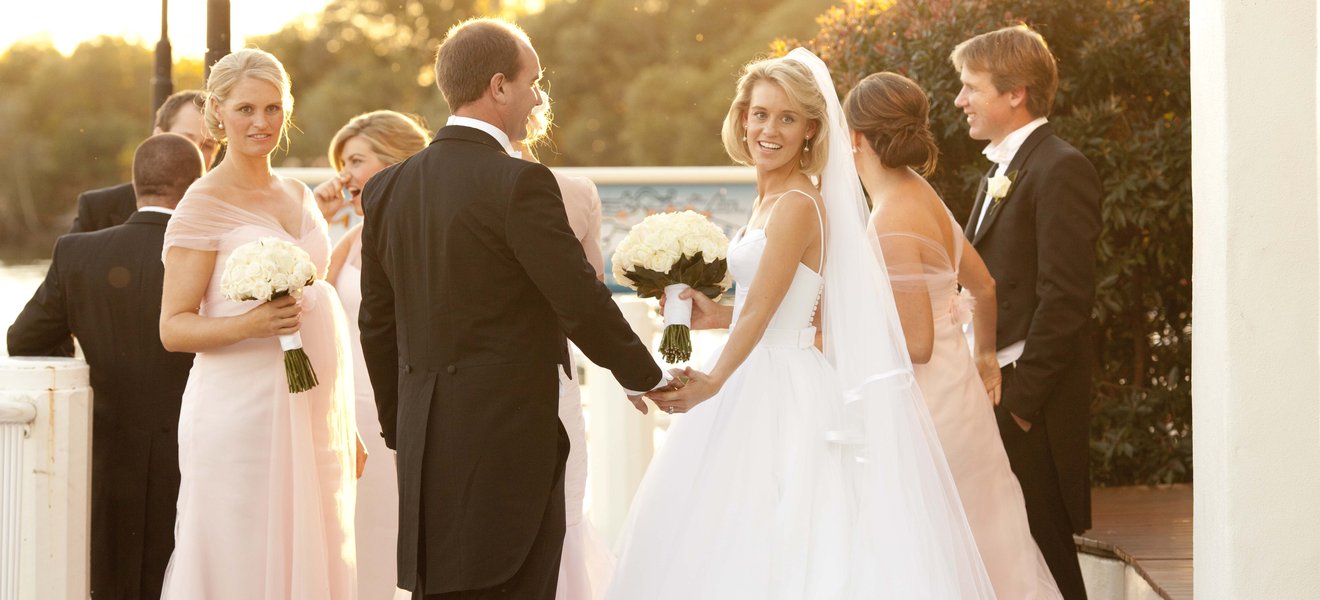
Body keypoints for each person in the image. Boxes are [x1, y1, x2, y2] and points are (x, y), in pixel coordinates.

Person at [609, 49, 995, 599]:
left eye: (787, 118)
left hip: (778, 385)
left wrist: (713, 384)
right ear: (742, 117)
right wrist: (715, 312)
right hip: (760, 368)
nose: (770, 129)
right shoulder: (767, 196)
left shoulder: (795, 202)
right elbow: (780, 302)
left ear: (812, 130)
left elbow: (767, 312)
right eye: (760, 113)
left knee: (778, 535)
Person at [357, 18, 666, 600]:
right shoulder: (518, 183)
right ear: (498, 87)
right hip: (506, 445)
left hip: (425, 441)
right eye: (533, 83)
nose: (537, 97)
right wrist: (644, 374)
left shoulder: (387, 188)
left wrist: (402, 424)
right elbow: (576, 297)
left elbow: (377, 320)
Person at [846, 71, 1062, 599]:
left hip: (929, 409)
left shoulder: (890, 219)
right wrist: (985, 358)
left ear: (855, 137)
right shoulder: (919, 191)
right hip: (961, 393)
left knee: (938, 545)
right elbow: (983, 286)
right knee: (989, 535)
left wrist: (845, 327)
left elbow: (915, 344)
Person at [157, 48, 360, 600]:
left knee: (314, 544)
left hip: (309, 411)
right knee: (241, 555)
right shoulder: (202, 203)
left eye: (273, 109)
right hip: (238, 415)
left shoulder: (298, 194)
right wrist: (252, 323)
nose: (261, 123)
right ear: (216, 112)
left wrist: (349, 422)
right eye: (246, 109)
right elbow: (173, 328)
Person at [6, 133, 202, 600]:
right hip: (195, 449)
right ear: (195, 186)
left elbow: (23, 339)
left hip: (105, 448)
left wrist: (84, 369)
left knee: (108, 580)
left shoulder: (77, 254)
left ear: (135, 185)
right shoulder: (209, 256)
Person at [952, 25, 1103, 599]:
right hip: (996, 390)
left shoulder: (1060, 167)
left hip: (1030, 405)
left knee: (1047, 555)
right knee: (1016, 555)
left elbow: (1067, 298)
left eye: (971, 87)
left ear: (1015, 93)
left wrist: (1020, 405)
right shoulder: (1000, 168)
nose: (961, 100)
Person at [322, 109, 431, 600]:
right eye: (342, 164)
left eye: (356, 161)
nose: (345, 177)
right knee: (357, 538)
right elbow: (309, 315)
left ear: (395, 161)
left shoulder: (427, 232)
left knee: (405, 538)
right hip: (351, 411)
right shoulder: (347, 240)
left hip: (408, 404)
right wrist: (314, 221)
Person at [516, 98, 614, 600]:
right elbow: (590, 295)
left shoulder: (459, 187)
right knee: (563, 508)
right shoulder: (575, 193)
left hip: (523, 379)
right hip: (553, 370)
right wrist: (632, 370)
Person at [69, 90, 219, 234]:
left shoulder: (225, 211)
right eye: (186, 139)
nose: (196, 152)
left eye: (207, 146)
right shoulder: (99, 209)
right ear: (157, 137)